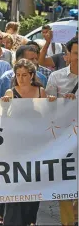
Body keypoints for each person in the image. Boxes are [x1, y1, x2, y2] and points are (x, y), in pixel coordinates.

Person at [1, 58, 57, 226]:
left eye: (25, 75)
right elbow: (3, 121)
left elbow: (49, 117)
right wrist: (4, 107)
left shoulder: (41, 92)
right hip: (15, 148)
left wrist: (54, 103)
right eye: (18, 75)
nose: (21, 78)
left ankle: (29, 220)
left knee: (33, 185)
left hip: (35, 147)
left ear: (32, 75)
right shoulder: (10, 93)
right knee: (15, 186)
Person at [46, 37, 78, 225]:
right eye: (76, 53)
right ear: (68, 55)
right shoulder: (56, 77)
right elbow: (47, 109)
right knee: (64, 182)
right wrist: (59, 103)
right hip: (64, 139)